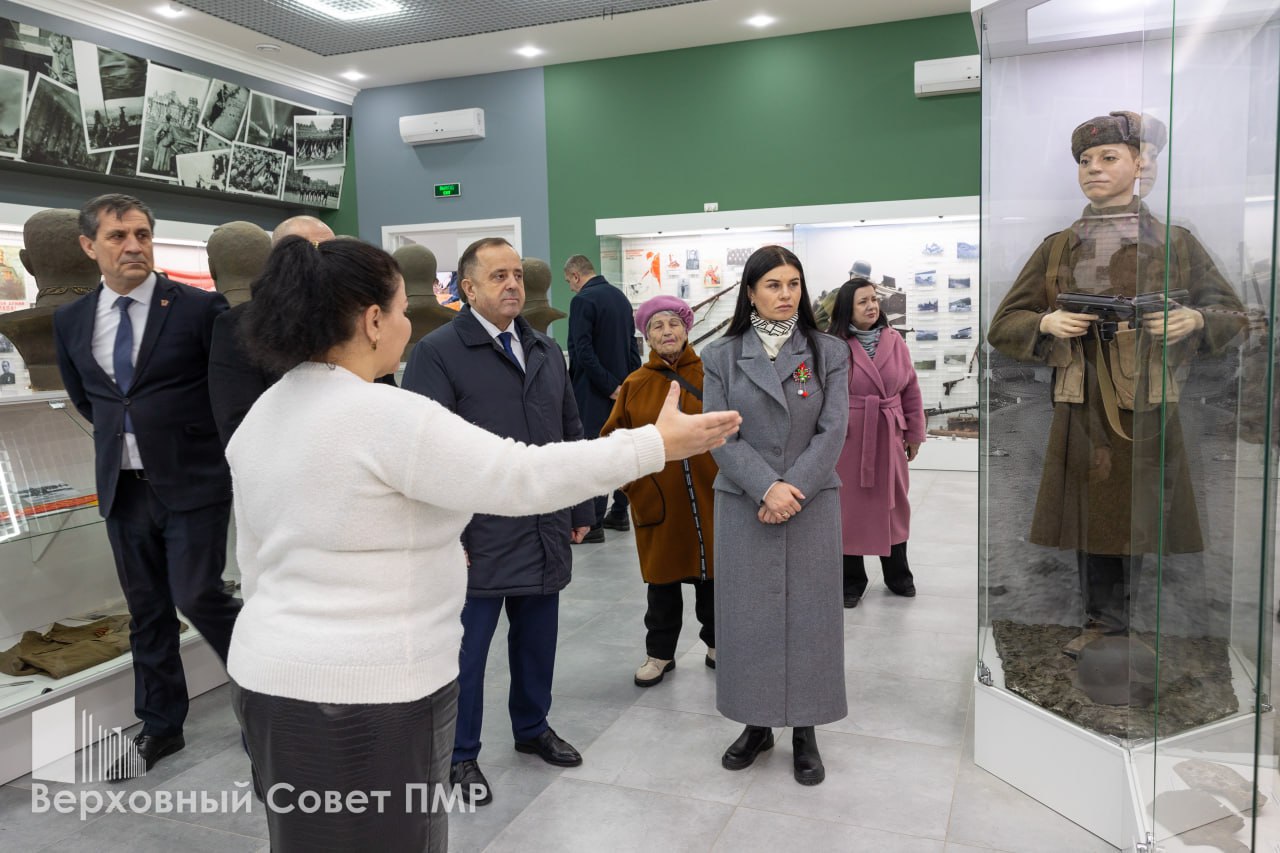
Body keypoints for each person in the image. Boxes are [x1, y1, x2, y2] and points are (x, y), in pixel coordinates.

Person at [226, 236, 740, 852]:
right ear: (372, 322)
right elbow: (519, 474)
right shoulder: (384, 414)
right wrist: (655, 444)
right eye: (402, 310)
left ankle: (531, 725)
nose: (409, 324)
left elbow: (253, 562)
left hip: (267, 681)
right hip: (367, 697)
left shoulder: (266, 412)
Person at [988, 113, 1246, 637]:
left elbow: (1233, 314)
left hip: (1151, 403)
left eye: (1109, 157)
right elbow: (1004, 324)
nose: (1093, 169)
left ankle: (1141, 628)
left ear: (1139, 165)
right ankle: (1101, 623)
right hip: (1082, 403)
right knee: (1091, 519)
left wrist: (1195, 319)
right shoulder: (1058, 246)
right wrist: (1045, 322)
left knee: (1149, 518)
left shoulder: (1175, 243)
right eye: (1085, 160)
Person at [52, 194, 240, 779]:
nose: (133, 246)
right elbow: (90, 399)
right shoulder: (72, 320)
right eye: (118, 236)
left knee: (198, 595)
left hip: (193, 482)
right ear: (89, 246)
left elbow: (226, 392)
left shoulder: (200, 309)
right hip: (123, 488)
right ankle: (161, 725)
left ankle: (270, 700)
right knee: (147, 610)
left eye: (142, 234)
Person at [402, 237, 593, 807]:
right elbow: (423, 452)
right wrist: (446, 533)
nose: (513, 284)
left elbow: (570, 431)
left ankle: (533, 727)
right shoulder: (438, 352)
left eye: (517, 274)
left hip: (542, 524)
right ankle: (459, 754)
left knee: (538, 642)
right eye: (498, 276)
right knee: (466, 654)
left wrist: (580, 507)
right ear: (468, 288)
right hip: (475, 534)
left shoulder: (544, 349)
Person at [702, 245, 850, 786]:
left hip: (811, 500)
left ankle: (806, 729)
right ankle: (756, 723)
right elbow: (719, 433)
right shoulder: (720, 356)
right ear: (750, 292)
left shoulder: (828, 351)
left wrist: (792, 489)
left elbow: (833, 429)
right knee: (749, 618)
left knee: (811, 618)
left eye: (793, 284)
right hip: (746, 501)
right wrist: (767, 487)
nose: (785, 294)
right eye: (773, 285)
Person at [601, 295, 718, 687]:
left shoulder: (712, 376)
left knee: (714, 579)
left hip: (711, 497)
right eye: (657, 326)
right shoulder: (635, 385)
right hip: (658, 503)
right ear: (646, 337)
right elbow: (612, 441)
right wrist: (637, 487)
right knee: (662, 585)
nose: (667, 332)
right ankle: (660, 654)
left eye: (673, 324)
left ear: (687, 329)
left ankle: (718, 644)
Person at [828, 278, 926, 608]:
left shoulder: (894, 340)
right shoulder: (831, 345)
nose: (872, 306)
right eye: (863, 302)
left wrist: (914, 433)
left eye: (874, 299)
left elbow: (910, 388)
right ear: (847, 308)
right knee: (848, 510)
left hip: (888, 431)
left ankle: (898, 575)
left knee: (895, 505)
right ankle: (851, 580)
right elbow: (815, 389)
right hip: (848, 437)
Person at [207, 215, 336, 446]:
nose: (322, 262)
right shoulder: (239, 324)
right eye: (312, 251)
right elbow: (239, 421)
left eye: (332, 252)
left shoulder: (355, 314)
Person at [565, 254, 641, 539]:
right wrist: (628, 385)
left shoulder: (582, 301)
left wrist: (610, 386)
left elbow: (582, 352)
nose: (571, 287)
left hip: (593, 392)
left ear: (576, 276)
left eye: (569, 282)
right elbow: (632, 346)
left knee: (594, 455)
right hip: (622, 390)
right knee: (621, 451)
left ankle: (593, 522)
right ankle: (619, 512)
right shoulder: (620, 298)